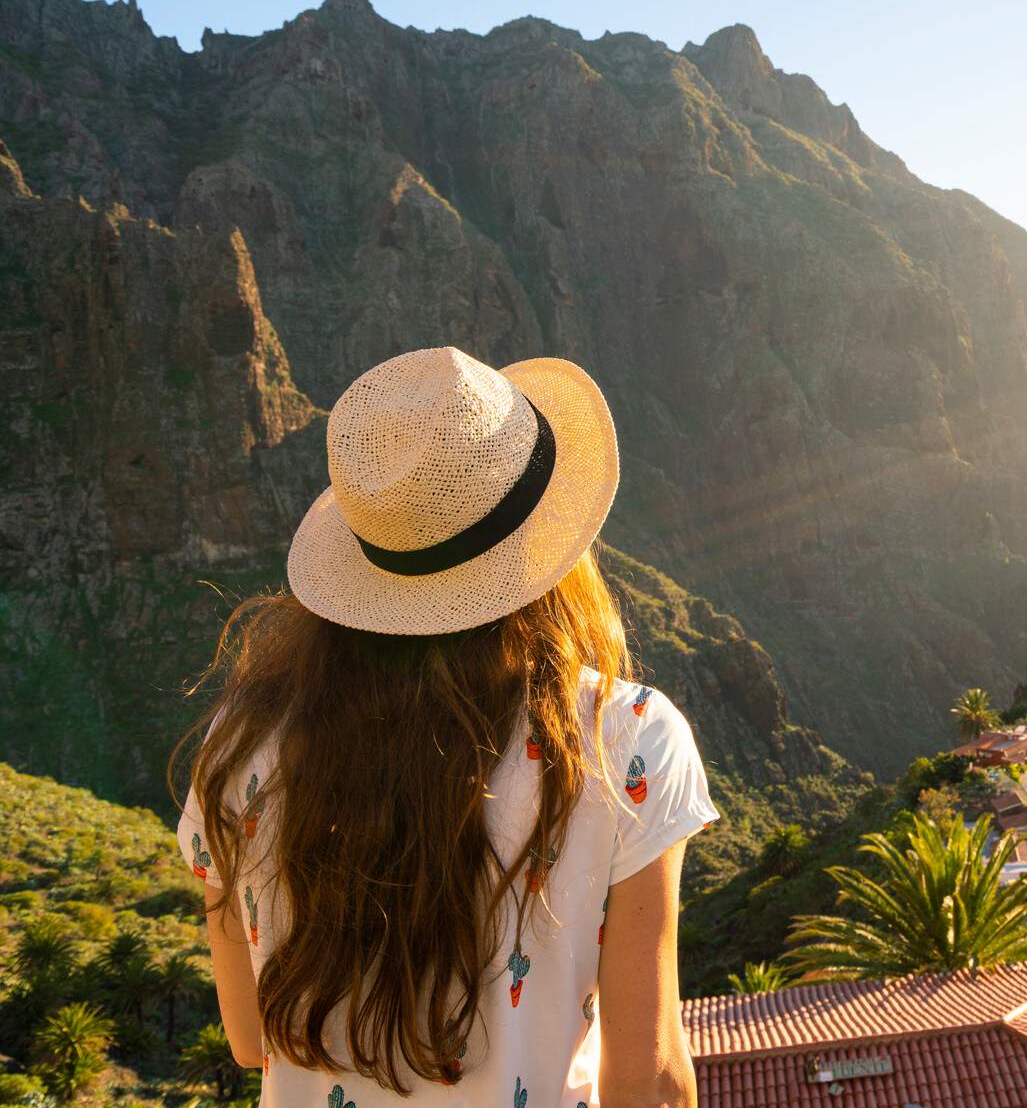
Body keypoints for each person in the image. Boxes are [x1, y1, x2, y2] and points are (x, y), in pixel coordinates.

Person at [174, 346, 718, 1106]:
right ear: (545, 543)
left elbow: (246, 1034)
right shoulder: (622, 741)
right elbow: (649, 1081)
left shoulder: (239, 747)